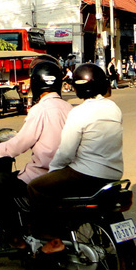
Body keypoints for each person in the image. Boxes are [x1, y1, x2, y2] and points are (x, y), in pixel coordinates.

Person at [28, 63, 123, 254]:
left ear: (79, 87)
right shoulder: (114, 108)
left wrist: (54, 171)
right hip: (114, 174)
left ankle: (51, 238)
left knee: (35, 187)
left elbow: (65, 152)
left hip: (86, 174)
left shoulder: (78, 112)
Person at [0, 60, 72, 248]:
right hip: (68, 175)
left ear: (36, 84)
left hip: (42, 177)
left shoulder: (40, 110)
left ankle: (14, 238)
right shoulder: (69, 108)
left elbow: (18, 145)